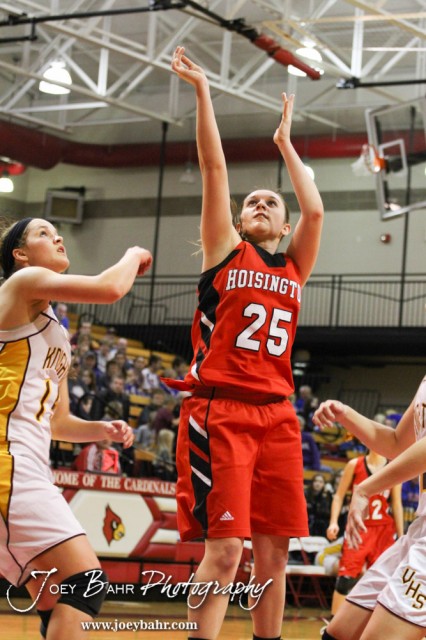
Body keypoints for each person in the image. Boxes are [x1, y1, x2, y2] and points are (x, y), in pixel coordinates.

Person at [171, 45, 324, 640]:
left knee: (274, 553)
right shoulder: (224, 251)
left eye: (271, 203)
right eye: (251, 202)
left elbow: (316, 211)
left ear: (283, 226)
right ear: (238, 221)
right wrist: (204, 92)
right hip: (222, 410)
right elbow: (214, 170)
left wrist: (286, 144)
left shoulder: (294, 266)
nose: (259, 204)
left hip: (278, 416)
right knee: (227, 550)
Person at [0, 216, 151, 640]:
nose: (58, 237)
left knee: (54, 600)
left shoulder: (56, 333)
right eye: (44, 233)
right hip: (8, 462)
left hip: (27, 463)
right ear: (20, 254)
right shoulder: (21, 283)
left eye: (57, 232)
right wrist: (133, 253)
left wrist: (102, 429)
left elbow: (59, 422)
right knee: (87, 584)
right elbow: (110, 288)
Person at [313, 382, 426, 640]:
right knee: (338, 634)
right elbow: (397, 444)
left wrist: (366, 489)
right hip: (419, 529)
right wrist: (345, 414)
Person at [326, 451, 403, 616]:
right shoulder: (354, 465)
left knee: (382, 582)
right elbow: (339, 496)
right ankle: (332, 624)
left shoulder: (393, 466)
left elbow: (397, 504)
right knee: (345, 580)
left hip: (383, 531)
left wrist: (401, 535)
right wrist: (333, 522)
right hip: (358, 529)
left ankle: (373, 623)